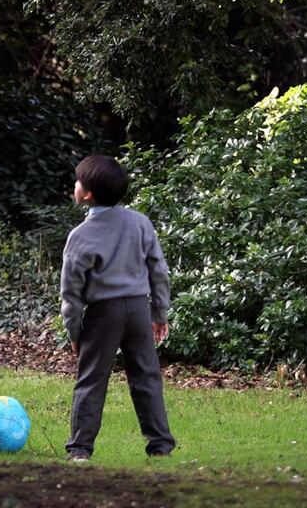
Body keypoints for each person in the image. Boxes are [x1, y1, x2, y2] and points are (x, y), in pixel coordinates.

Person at [60, 155, 176, 462]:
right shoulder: (140, 223)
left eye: (78, 182)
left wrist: (74, 332)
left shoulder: (80, 236)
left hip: (103, 315)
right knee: (146, 377)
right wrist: (159, 313)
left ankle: (80, 449)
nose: (75, 185)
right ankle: (160, 446)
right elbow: (159, 271)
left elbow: (71, 292)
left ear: (87, 194)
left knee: (92, 379)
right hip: (138, 310)